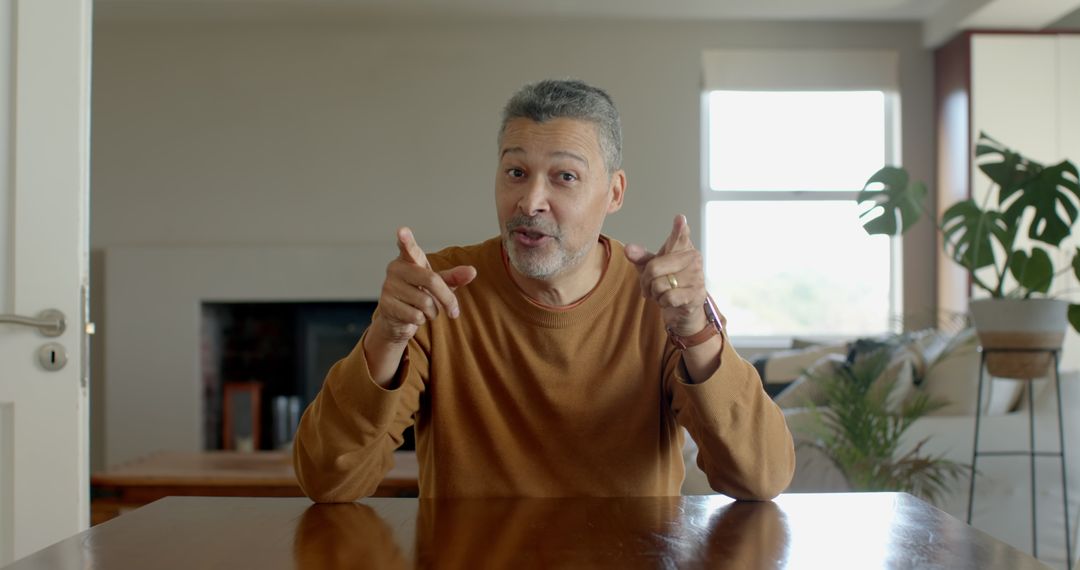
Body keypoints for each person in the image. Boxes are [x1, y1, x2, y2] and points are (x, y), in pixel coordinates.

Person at [293, 79, 795, 501]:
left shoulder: (665, 302)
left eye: (565, 177)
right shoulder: (440, 289)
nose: (531, 201)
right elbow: (328, 480)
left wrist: (696, 333)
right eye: (516, 172)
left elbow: (760, 478)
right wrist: (386, 334)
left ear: (614, 192)